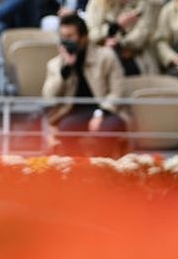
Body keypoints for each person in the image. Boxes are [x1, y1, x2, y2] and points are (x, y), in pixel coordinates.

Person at [42, 13, 128, 156]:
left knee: (106, 129)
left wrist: (100, 113)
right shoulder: (55, 64)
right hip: (74, 113)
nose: (65, 41)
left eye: (70, 37)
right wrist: (66, 69)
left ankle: (103, 169)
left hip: (107, 110)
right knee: (66, 128)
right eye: (63, 37)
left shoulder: (106, 56)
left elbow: (118, 91)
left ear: (84, 37)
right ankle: (80, 169)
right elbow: (48, 96)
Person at [84, 0, 161, 76]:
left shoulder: (143, 3)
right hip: (103, 52)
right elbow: (93, 34)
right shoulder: (96, 4)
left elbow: (142, 36)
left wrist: (118, 43)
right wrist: (116, 26)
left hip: (136, 55)